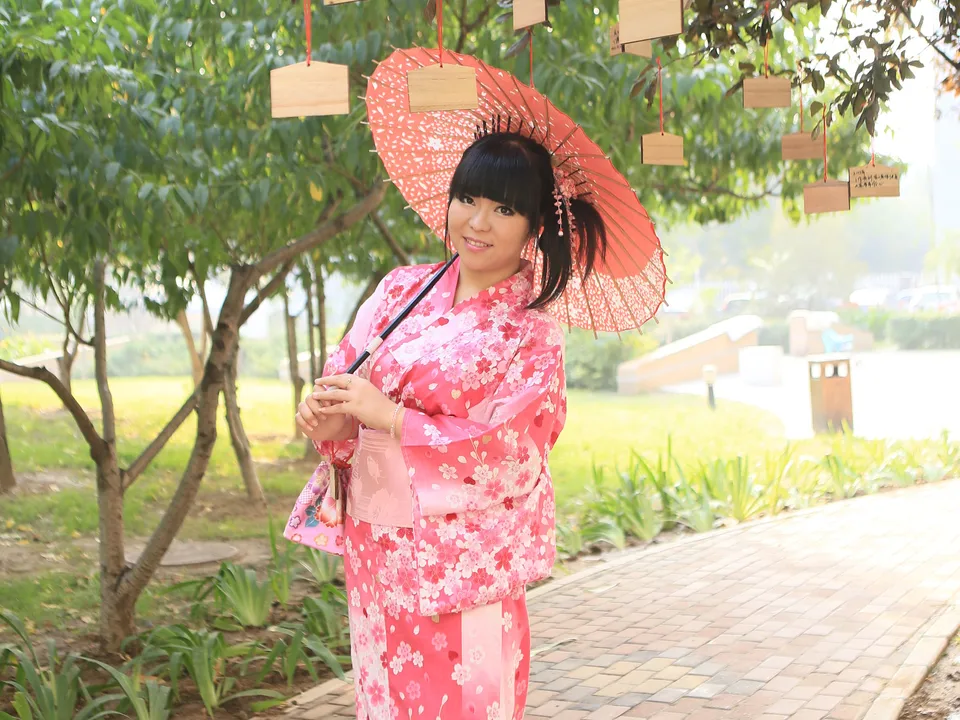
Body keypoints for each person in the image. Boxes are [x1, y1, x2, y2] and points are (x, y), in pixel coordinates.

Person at [286, 131, 608, 720]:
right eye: (467, 199)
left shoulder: (531, 331)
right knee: (384, 695)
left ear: (535, 225)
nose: (477, 222)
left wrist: (390, 416)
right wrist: (330, 421)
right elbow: (346, 384)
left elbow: (511, 450)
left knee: (467, 699)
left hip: (463, 556)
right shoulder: (400, 290)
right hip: (378, 543)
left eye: (504, 209)